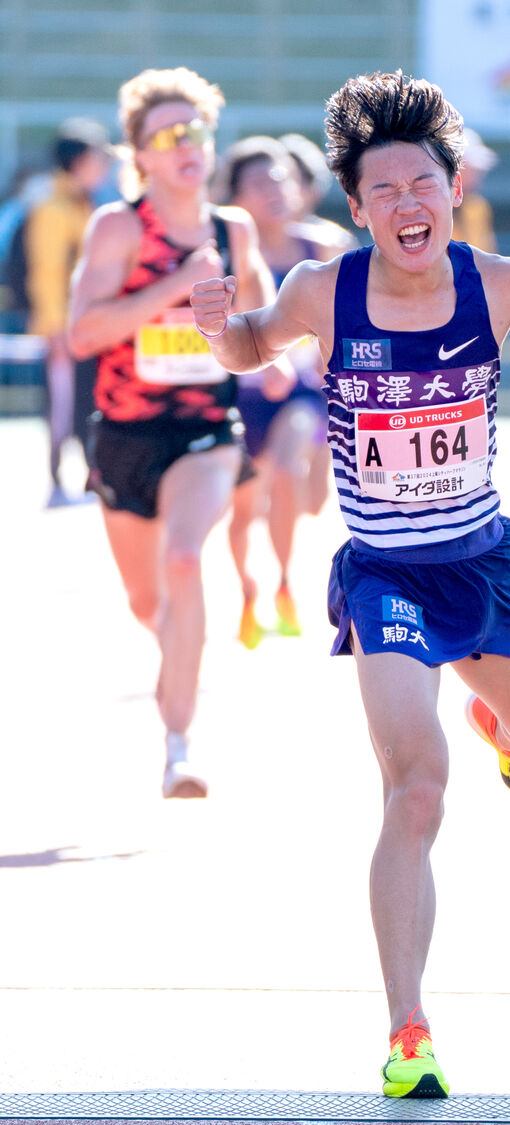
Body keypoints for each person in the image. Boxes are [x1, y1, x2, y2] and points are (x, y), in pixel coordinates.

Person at [190, 69, 510, 1097]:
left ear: (450, 190)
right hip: (383, 573)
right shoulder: (324, 292)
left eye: (422, 184)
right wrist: (221, 322)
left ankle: (504, 733)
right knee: (414, 787)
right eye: (383, 190)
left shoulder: (501, 283)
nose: (406, 205)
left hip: (481, 563)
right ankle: (408, 1031)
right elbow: (246, 349)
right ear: (356, 210)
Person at [68, 66, 275, 798]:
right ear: (142, 155)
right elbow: (83, 332)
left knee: (185, 561)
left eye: (198, 130)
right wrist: (172, 284)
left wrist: (276, 361)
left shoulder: (235, 229)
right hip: (126, 434)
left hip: (206, 430)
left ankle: (178, 747)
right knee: (146, 603)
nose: (188, 145)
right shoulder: (119, 227)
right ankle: (179, 656)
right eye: (169, 135)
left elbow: (263, 319)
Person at [221, 136, 336, 643]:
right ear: (232, 196)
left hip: (305, 391)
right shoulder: (223, 253)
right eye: (256, 182)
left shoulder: (325, 248)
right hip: (239, 396)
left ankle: (286, 583)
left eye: (281, 178)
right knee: (245, 509)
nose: (272, 190)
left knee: (294, 477)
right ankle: (249, 590)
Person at [25, 119, 113, 502]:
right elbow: (46, 272)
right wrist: (55, 328)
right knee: (61, 407)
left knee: (88, 402)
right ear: (78, 161)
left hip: (89, 329)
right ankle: (56, 480)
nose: (105, 166)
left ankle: (90, 475)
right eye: (98, 157)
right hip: (64, 330)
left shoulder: (83, 203)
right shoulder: (53, 208)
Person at [279, 132, 359, 258]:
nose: (279, 191)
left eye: (292, 181)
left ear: (313, 189)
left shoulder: (335, 241)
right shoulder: (251, 238)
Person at [451, 128, 498, 253]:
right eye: (470, 169)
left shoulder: (478, 208)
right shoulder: (435, 208)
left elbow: (488, 254)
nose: (477, 175)